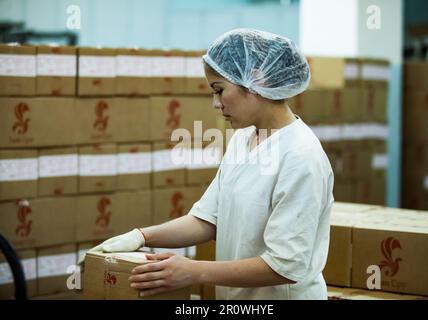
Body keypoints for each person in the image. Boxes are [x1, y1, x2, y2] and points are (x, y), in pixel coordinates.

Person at [79, 28, 334, 300]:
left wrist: (195, 271)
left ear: (255, 80)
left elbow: (285, 265)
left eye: (219, 90)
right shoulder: (244, 139)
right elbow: (208, 219)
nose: (215, 103)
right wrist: (142, 236)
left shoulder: (300, 156)